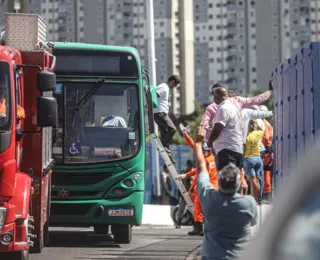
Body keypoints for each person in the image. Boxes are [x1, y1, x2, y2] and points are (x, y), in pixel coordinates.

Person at [195, 125, 258, 260]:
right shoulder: (248, 204)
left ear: (220, 182)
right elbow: (253, 222)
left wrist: (198, 143)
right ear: (239, 185)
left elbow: (201, 168)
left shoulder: (209, 197)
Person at [178, 124, 218, 236]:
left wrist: (189, 183)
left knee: (201, 207)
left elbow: (200, 174)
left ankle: (200, 228)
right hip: (213, 188)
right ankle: (201, 228)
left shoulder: (207, 160)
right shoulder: (213, 158)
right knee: (201, 207)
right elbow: (194, 145)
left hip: (207, 187)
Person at [201, 81, 274, 139]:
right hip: (237, 142)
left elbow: (204, 124)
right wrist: (269, 91)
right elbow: (256, 100)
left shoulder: (212, 107)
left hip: (224, 144)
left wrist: (209, 139)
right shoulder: (237, 100)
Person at [208, 86, 243, 171]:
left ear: (217, 96)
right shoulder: (235, 108)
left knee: (226, 182)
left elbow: (217, 129)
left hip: (226, 151)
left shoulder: (223, 108)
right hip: (237, 150)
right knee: (235, 182)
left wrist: (209, 142)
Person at [153, 75, 180, 156]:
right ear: (172, 82)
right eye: (175, 85)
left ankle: (165, 147)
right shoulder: (164, 87)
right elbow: (154, 94)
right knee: (172, 129)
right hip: (160, 113)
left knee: (164, 132)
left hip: (159, 113)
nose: (175, 87)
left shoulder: (166, 88)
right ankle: (162, 145)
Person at [243, 120, 264, 204]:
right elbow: (261, 128)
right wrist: (256, 123)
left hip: (249, 159)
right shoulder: (259, 133)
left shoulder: (246, 135)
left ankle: (254, 201)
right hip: (258, 158)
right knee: (257, 181)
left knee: (253, 182)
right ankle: (257, 200)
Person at [176, 159, 194, 228]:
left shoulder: (194, 172)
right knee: (181, 209)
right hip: (183, 194)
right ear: (187, 165)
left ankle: (195, 225)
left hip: (192, 195)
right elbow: (179, 184)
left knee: (194, 210)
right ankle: (178, 223)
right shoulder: (183, 172)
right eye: (189, 166)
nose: (190, 168)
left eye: (191, 166)